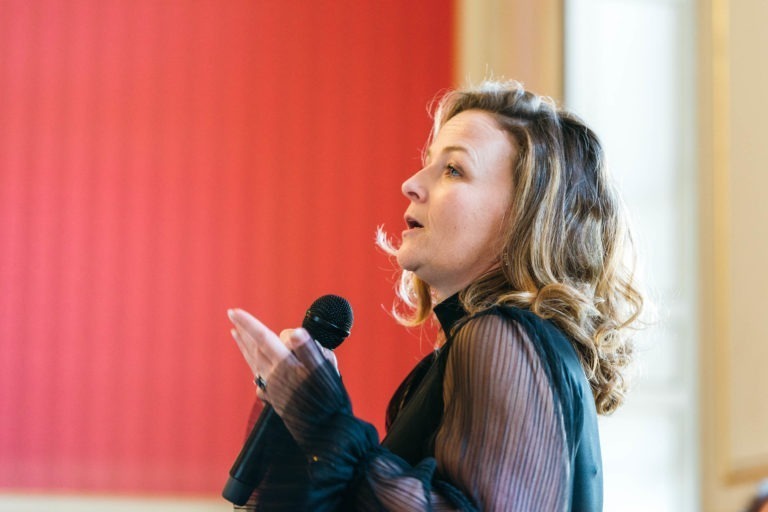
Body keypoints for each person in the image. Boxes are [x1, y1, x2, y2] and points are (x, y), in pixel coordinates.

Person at [228, 80, 644, 511]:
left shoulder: (499, 335)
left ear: (525, 217)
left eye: (453, 170)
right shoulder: (477, 348)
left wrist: (324, 421)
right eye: (428, 163)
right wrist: (297, 412)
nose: (411, 183)